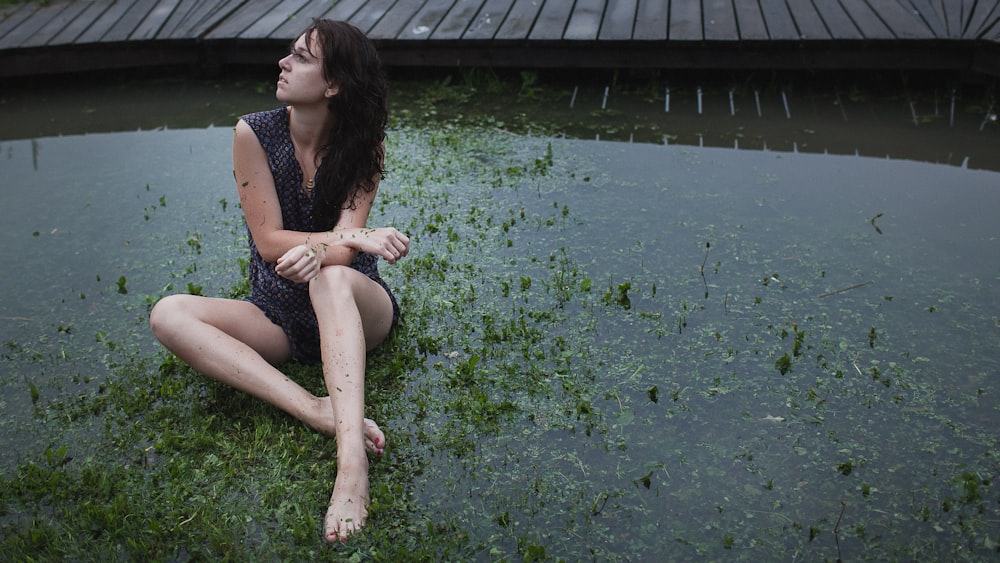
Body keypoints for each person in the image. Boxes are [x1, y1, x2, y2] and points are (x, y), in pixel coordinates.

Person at [149, 19, 409, 543]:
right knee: (168, 313)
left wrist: (334, 249)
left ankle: (352, 467)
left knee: (330, 278)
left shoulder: (364, 146)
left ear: (333, 84)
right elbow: (269, 242)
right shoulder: (255, 133)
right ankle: (314, 407)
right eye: (288, 54)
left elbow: (345, 246)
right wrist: (344, 242)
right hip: (277, 314)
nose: (282, 64)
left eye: (300, 57)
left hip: (355, 304)